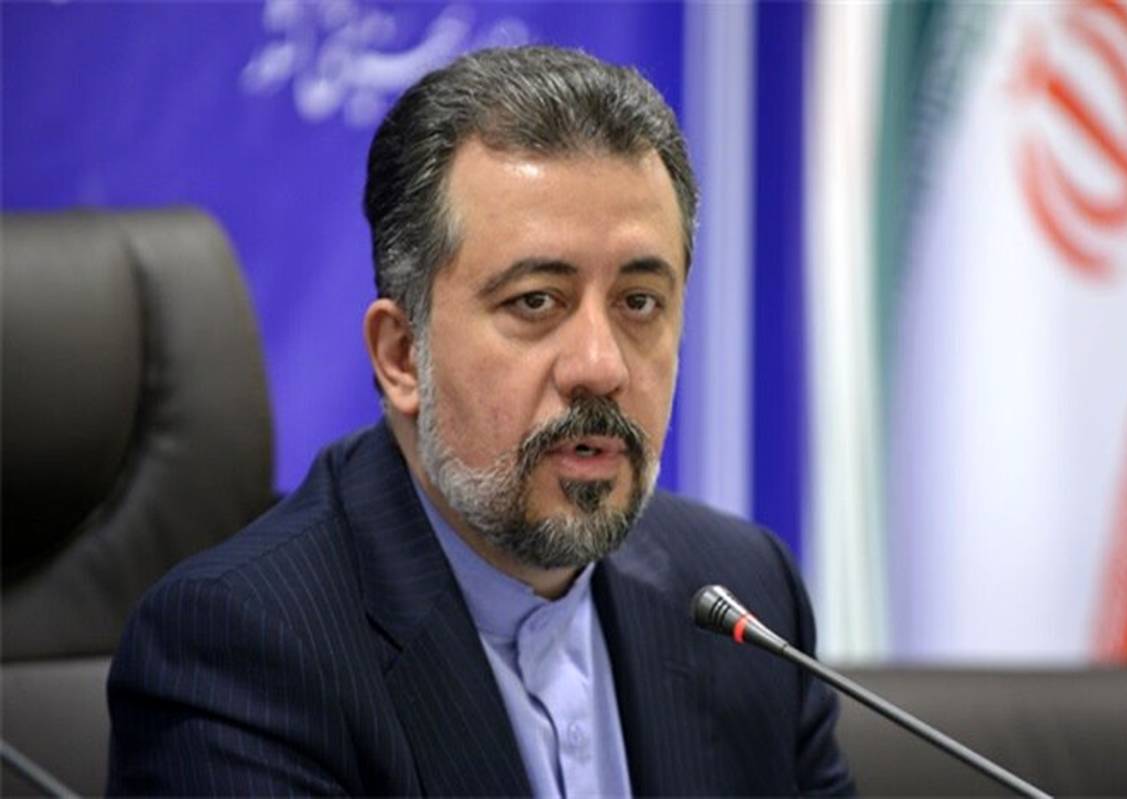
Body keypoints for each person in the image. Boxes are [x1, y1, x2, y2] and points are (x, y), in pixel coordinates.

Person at [106, 45, 855, 796]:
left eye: (638, 303)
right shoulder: (242, 654)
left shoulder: (744, 596)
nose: (601, 366)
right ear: (402, 355)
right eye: (536, 301)